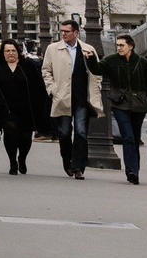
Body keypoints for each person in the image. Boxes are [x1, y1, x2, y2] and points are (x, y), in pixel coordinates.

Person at [91, 33, 147, 185]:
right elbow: (97, 69)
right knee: (127, 137)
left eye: (122, 45)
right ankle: (131, 171)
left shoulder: (141, 62)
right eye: (117, 45)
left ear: (131, 46)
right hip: (120, 104)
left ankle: (135, 170)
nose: (119, 48)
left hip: (139, 106)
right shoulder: (112, 60)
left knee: (134, 139)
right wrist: (90, 58)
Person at [39, 17, 103, 178]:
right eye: (61, 31)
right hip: (62, 96)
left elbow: (97, 71)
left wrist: (97, 88)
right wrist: (52, 89)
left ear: (76, 32)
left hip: (82, 98)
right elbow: (46, 70)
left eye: (67, 31)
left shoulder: (88, 49)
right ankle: (67, 159)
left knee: (81, 132)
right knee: (65, 132)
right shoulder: (53, 49)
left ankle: (78, 167)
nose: (63, 34)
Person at [0, 39, 47, 174]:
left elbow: (38, 86)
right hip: (6, 109)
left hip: (27, 108)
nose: (10, 53)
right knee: (10, 134)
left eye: (13, 50)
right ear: (2, 53)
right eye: (7, 51)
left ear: (18, 52)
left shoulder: (28, 65)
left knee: (26, 137)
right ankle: (12, 162)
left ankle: (22, 158)